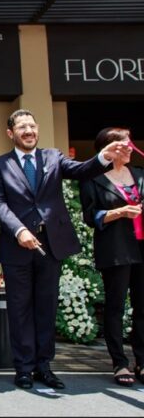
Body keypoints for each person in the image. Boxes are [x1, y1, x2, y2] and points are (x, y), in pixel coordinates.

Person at [0, 108, 125, 390]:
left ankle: (44, 366)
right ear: (10, 133)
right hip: (17, 246)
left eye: (32, 126)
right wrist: (19, 230)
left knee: (45, 307)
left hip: (51, 244)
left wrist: (104, 157)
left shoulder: (53, 156)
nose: (29, 131)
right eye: (22, 127)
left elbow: (82, 170)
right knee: (19, 308)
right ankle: (23, 368)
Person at [79, 127, 143, 387]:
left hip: (142, 247)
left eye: (130, 143)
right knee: (116, 306)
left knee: (143, 307)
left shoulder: (140, 174)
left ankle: (142, 359)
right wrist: (120, 213)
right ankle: (120, 362)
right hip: (116, 249)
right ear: (109, 148)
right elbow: (90, 216)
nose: (129, 147)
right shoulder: (93, 179)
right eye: (123, 144)